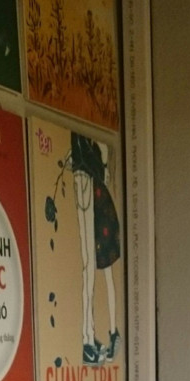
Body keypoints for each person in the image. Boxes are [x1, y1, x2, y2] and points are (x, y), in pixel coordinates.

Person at [70, 132, 120, 365]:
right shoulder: (88, 150)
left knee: (89, 264)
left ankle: (89, 336)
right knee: (89, 265)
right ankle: (87, 340)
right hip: (86, 178)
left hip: (84, 177)